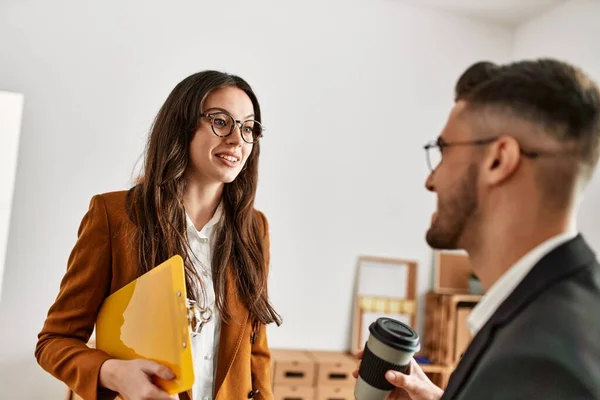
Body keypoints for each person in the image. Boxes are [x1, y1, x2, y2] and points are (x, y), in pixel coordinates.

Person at [356, 58, 600, 399]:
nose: (431, 180)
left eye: (443, 151)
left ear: (498, 160)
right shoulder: (558, 318)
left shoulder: (541, 363)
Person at [35, 70, 281, 400]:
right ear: (182, 124)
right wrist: (115, 373)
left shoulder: (254, 229)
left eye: (248, 128)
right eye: (221, 121)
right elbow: (54, 342)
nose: (237, 140)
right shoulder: (115, 216)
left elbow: (256, 353)